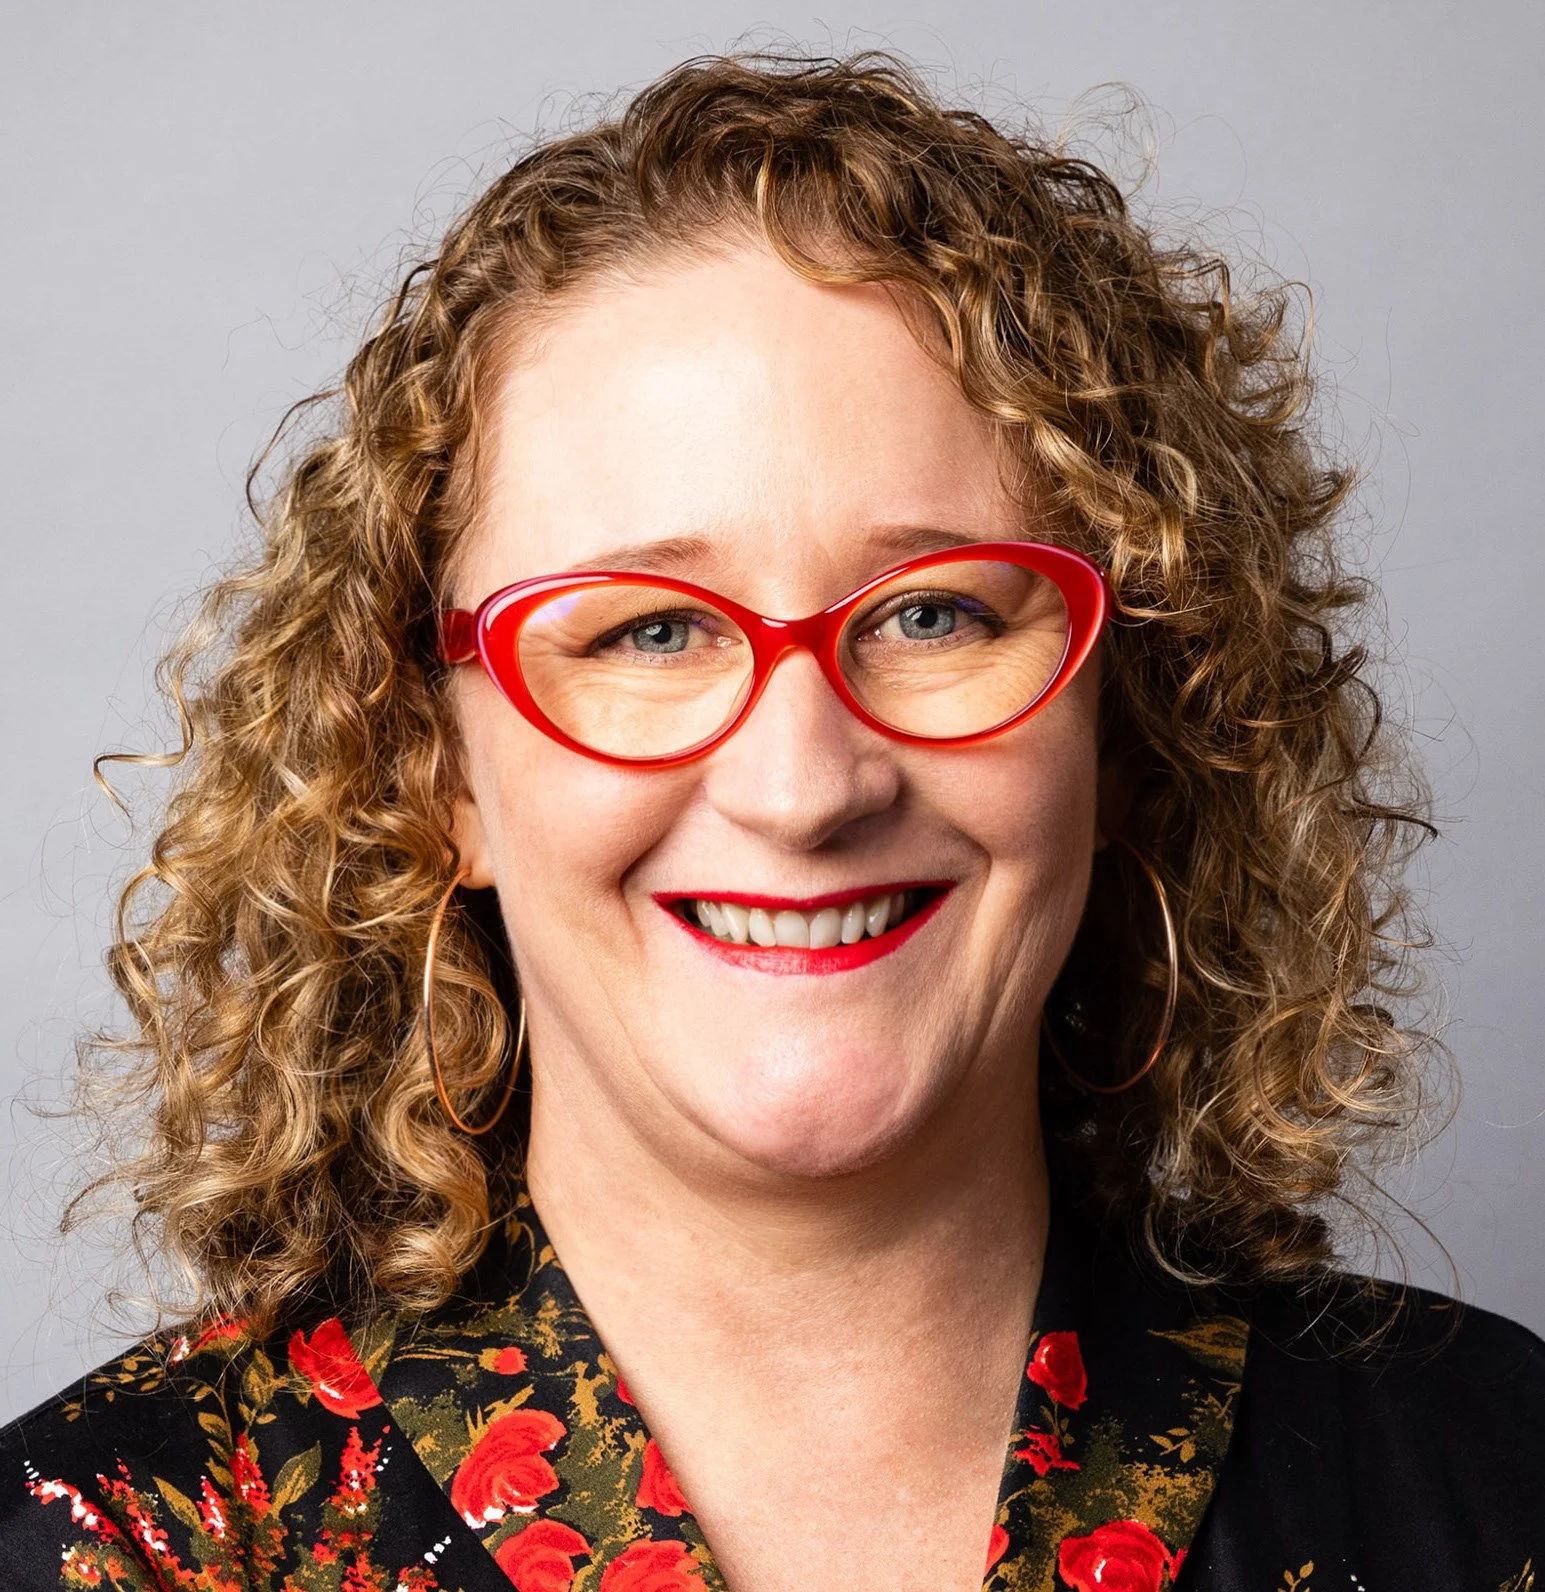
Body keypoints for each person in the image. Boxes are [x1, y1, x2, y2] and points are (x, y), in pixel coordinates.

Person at [1, 48, 1539, 1592]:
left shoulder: (1495, 1480)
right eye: (647, 636)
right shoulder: (115, 1545)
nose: (804, 786)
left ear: (1133, 717)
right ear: (432, 772)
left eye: (934, 614)